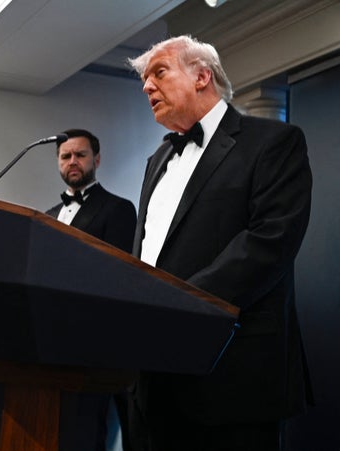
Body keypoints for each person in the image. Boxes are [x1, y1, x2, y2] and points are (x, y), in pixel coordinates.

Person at [127, 35, 312, 451]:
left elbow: (270, 243)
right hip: (150, 380)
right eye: (144, 79)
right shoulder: (156, 160)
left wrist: (176, 306)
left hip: (232, 379)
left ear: (201, 76)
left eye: (159, 72)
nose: (146, 87)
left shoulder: (273, 142)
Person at [46, 128, 137, 450]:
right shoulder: (47, 218)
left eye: (80, 155)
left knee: (91, 433)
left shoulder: (119, 209)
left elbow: (117, 276)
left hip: (100, 342)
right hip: (51, 343)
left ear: (96, 159)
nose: (73, 161)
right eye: (66, 156)